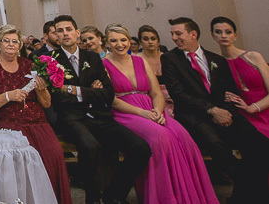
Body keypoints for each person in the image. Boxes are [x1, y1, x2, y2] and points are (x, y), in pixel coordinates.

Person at [102, 24, 217, 204]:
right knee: (159, 137)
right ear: (107, 43)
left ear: (129, 41)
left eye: (123, 40)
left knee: (182, 134)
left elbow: (156, 93)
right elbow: (112, 100)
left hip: (152, 108)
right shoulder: (103, 65)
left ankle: (189, 195)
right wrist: (143, 113)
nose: (119, 44)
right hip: (125, 111)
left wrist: (156, 110)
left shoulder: (141, 61)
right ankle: (163, 197)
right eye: (114, 41)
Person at [162, 16, 269, 202]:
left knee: (259, 143)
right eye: (172, 34)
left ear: (193, 34)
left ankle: (242, 196)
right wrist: (211, 110)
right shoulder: (170, 59)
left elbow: (229, 91)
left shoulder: (215, 59)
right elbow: (178, 94)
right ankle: (253, 191)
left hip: (224, 112)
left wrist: (226, 110)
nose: (174, 38)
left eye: (178, 33)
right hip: (194, 116)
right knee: (216, 143)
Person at [50, 15, 150, 204]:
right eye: (60, 30)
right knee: (90, 146)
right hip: (72, 118)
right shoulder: (50, 59)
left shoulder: (93, 57)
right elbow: (57, 96)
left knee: (140, 148)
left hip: (99, 116)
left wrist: (74, 89)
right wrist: (90, 91)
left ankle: (114, 195)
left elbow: (108, 93)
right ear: (55, 35)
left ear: (77, 33)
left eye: (69, 29)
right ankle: (93, 198)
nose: (65, 33)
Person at [0, 24, 72, 204]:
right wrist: (8, 96)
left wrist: (40, 89)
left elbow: (46, 103)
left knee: (53, 154)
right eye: (6, 41)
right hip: (7, 123)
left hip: (37, 121)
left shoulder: (30, 65)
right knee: (18, 162)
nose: (11, 44)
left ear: (20, 45)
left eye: (15, 41)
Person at [211, 16, 269, 137]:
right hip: (242, 113)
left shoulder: (254, 56)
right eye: (218, 32)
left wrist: (253, 108)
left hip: (264, 107)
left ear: (235, 35)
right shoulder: (217, 64)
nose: (223, 35)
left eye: (228, 32)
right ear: (212, 35)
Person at [138, 24, 174, 118]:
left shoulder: (168, 58)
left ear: (158, 41)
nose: (150, 42)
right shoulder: (137, 59)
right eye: (146, 39)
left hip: (172, 95)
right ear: (141, 42)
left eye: (153, 38)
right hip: (150, 97)